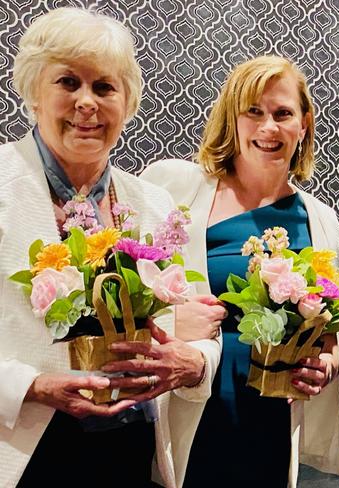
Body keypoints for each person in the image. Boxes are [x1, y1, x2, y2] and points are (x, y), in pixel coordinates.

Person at [0, 8, 222, 487]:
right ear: (34, 93)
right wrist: (32, 386)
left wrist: (197, 362)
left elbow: (204, 324)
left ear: (127, 102)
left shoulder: (157, 204)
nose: (87, 103)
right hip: (21, 452)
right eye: (67, 82)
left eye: (104, 87)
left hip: (133, 453)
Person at [141, 55, 339, 487]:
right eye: (253, 111)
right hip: (183, 413)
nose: (268, 127)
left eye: (283, 113)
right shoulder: (172, 186)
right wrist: (170, 321)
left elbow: (327, 335)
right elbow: (124, 294)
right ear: (232, 118)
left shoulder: (321, 220)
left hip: (269, 422)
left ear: (303, 124)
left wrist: (324, 364)